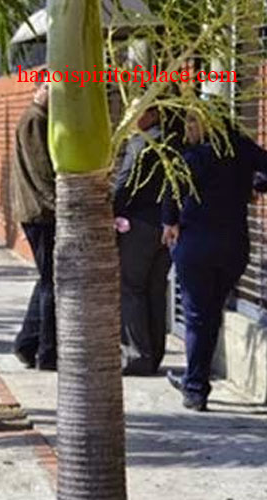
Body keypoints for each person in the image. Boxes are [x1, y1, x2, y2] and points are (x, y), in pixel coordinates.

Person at [163, 110, 267, 411]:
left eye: (193, 122)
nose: (189, 128)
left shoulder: (193, 156)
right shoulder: (242, 148)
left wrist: (169, 223)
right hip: (234, 246)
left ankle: (195, 388)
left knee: (198, 315)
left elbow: (172, 190)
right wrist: (254, 184)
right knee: (210, 313)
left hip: (196, 244)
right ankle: (195, 378)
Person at [113, 106, 177, 375]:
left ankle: (137, 355)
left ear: (151, 114)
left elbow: (125, 184)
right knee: (155, 290)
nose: (130, 117)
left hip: (139, 226)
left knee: (131, 289)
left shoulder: (141, 144)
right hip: (165, 227)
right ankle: (154, 355)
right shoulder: (174, 143)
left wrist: (111, 210)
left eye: (135, 111)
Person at [9, 82, 57, 371]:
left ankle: (28, 343)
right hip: (41, 213)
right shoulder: (35, 120)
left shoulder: (38, 119)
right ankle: (47, 351)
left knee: (47, 279)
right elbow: (42, 172)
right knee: (52, 282)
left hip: (39, 211)